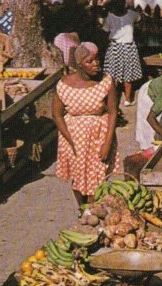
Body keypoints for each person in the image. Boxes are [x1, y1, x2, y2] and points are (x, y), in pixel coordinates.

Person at [53, 42, 121, 207]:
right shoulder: (64, 84)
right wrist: (70, 141)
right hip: (74, 137)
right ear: (80, 65)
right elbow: (57, 114)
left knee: (97, 177)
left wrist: (107, 142)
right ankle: (82, 210)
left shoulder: (106, 82)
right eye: (90, 61)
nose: (96, 64)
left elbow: (112, 112)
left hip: (99, 135)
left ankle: (94, 209)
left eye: (97, 59)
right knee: (78, 176)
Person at [102, 0, 143, 106]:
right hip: (128, 47)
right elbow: (139, 18)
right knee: (128, 75)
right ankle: (128, 99)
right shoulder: (132, 14)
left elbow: (105, 30)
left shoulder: (109, 16)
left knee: (112, 73)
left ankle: (113, 98)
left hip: (115, 47)